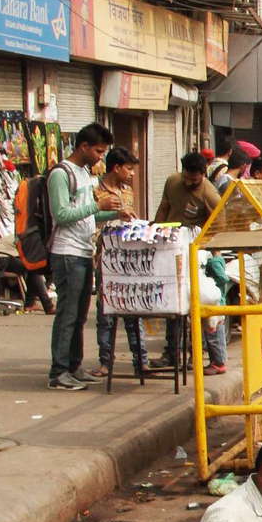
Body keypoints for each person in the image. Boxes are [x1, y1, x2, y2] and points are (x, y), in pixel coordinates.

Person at [46, 124, 126, 390]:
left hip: (83, 250)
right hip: (66, 252)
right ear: (84, 147)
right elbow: (61, 214)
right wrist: (98, 205)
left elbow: (86, 214)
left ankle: (73, 366)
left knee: (79, 315)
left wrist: (114, 214)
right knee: (67, 315)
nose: (101, 157)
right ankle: (58, 373)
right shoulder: (61, 174)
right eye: (99, 151)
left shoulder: (83, 173)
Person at [154, 152, 228, 374]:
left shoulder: (211, 195)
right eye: (186, 177)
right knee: (171, 304)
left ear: (203, 175)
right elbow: (163, 208)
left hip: (200, 259)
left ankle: (217, 360)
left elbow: (218, 229)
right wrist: (156, 233)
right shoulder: (172, 181)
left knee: (210, 308)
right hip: (171, 253)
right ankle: (172, 353)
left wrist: (206, 254)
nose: (188, 182)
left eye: (193, 180)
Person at [91, 147, 151, 376]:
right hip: (105, 258)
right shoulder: (95, 190)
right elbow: (89, 217)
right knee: (105, 312)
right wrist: (114, 215)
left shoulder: (127, 191)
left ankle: (141, 360)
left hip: (129, 259)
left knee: (134, 310)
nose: (132, 174)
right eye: (129, 169)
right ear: (116, 168)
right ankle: (105, 362)